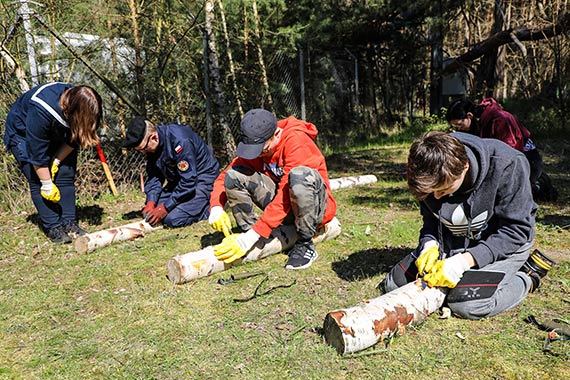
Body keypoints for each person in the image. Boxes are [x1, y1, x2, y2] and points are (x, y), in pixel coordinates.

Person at [379, 131, 555, 320]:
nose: (436, 198)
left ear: (464, 167)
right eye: (431, 192)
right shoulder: (428, 173)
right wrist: (429, 244)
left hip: (503, 244)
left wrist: (465, 261)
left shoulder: (508, 164)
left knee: (466, 304)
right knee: (393, 285)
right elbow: (431, 220)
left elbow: (517, 231)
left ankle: (528, 277)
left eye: (444, 190)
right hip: (453, 241)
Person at [208, 109, 337, 270]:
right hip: (286, 207)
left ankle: (305, 244)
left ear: (276, 134)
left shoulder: (296, 141)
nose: (259, 154)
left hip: (315, 210)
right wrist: (216, 207)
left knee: (299, 175)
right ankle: (252, 235)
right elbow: (225, 176)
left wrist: (253, 235)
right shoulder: (259, 145)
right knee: (235, 175)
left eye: (263, 149)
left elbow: (284, 196)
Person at [4, 82, 103, 244]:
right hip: (22, 134)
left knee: (65, 173)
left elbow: (76, 138)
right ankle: (53, 227)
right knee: (38, 180)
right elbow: (36, 155)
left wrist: (57, 160)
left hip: (58, 132)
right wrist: (47, 183)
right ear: (72, 111)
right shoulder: (41, 108)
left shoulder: (87, 105)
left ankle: (69, 223)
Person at [446, 97, 558, 201]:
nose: (459, 129)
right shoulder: (478, 123)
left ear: (469, 116)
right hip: (506, 160)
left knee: (512, 196)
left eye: (459, 125)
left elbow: (509, 154)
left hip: (526, 160)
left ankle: (540, 185)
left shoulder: (500, 119)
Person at [122, 117, 219, 228]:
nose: (143, 153)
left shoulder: (180, 141)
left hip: (201, 181)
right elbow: (154, 175)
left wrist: (165, 208)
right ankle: (190, 206)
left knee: (172, 219)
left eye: (144, 148)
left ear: (154, 137)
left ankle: (210, 208)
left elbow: (189, 181)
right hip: (179, 182)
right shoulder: (152, 147)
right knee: (153, 211)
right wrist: (151, 202)